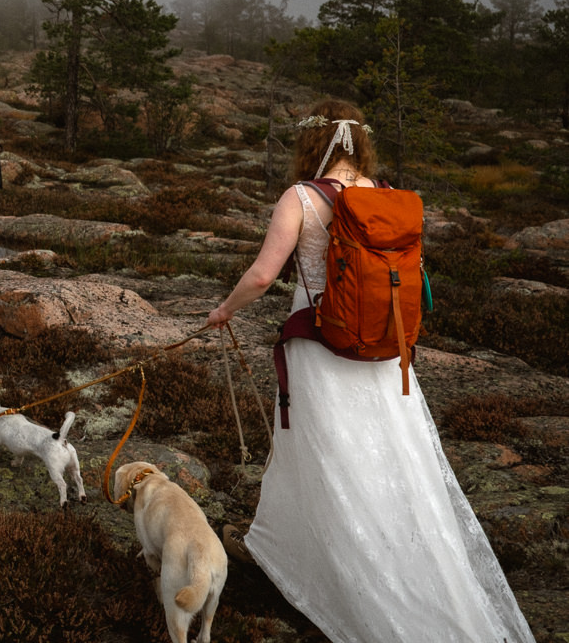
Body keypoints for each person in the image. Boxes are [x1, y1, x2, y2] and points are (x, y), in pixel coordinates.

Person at [208, 99, 532, 643]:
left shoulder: (303, 198)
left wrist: (224, 311)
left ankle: (336, 578)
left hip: (320, 346)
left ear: (313, 143)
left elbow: (264, 275)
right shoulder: (383, 196)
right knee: (395, 463)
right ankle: (412, 565)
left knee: (328, 461)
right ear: (360, 142)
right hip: (385, 352)